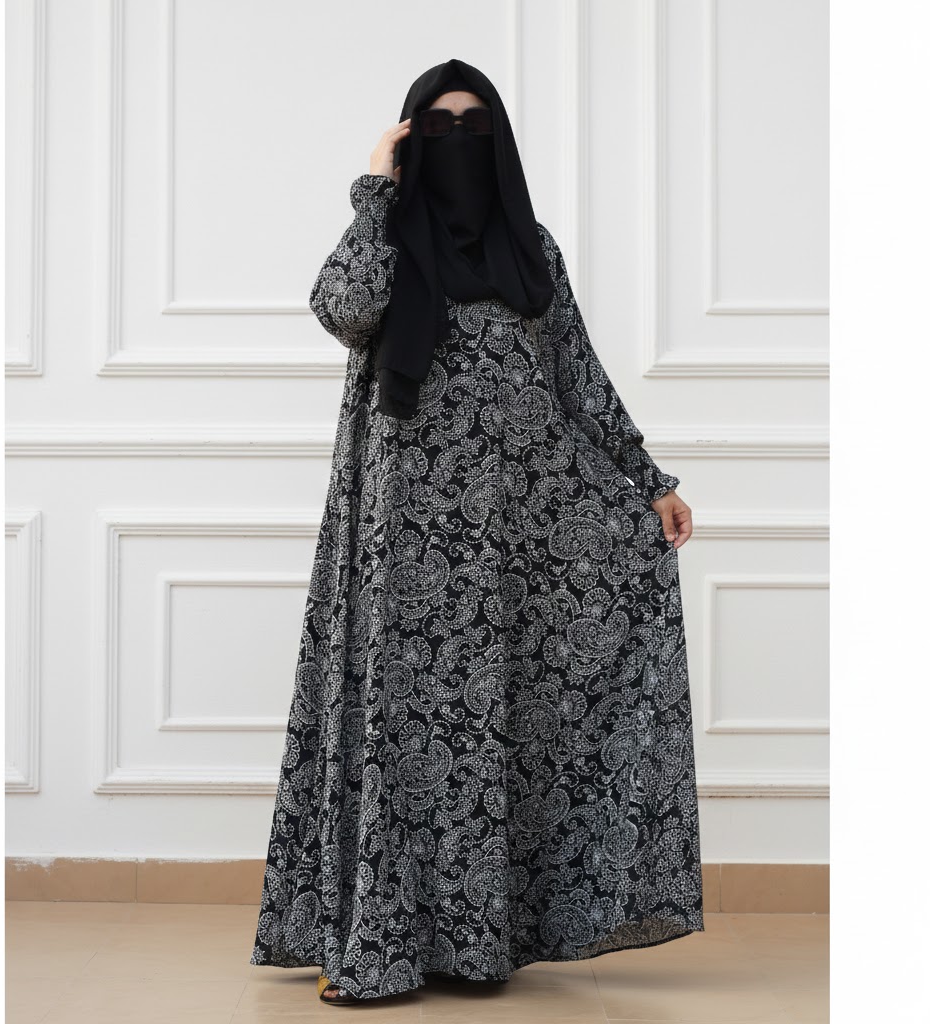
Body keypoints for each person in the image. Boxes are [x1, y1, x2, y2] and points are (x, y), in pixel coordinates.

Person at [249, 58, 703, 1006]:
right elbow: (343, 310)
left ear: (500, 144)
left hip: (514, 542)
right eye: (437, 127)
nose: (458, 143)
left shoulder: (530, 249)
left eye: (475, 126)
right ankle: (376, 944)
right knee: (402, 734)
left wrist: (648, 481)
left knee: (488, 732)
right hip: (401, 543)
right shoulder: (388, 238)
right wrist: (374, 187)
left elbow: (577, 379)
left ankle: (473, 947)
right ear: (411, 139)